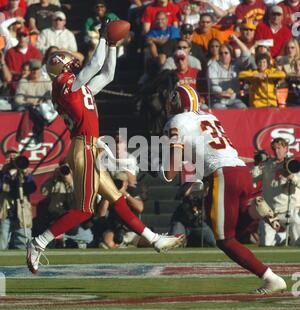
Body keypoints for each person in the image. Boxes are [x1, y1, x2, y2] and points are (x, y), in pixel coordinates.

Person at [26, 25, 184, 273]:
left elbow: (107, 73)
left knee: (117, 199)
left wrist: (113, 45)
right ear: (64, 68)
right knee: (84, 209)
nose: (74, 62)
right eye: (70, 61)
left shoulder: (78, 89)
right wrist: (103, 38)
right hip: (83, 147)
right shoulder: (66, 86)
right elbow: (94, 65)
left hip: (90, 147)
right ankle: (39, 242)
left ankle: (154, 239)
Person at [159, 83, 287, 294]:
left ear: (177, 102)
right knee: (235, 228)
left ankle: (271, 278)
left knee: (224, 239)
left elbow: (171, 171)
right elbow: (211, 152)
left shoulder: (177, 121)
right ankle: (254, 209)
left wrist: (162, 168)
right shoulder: (209, 117)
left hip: (222, 175)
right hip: (239, 171)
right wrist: (193, 181)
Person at [252, 137, 300, 246]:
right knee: (266, 245)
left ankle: (283, 237)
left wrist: (291, 177)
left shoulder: (293, 164)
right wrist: (256, 164)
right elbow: (254, 178)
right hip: (270, 211)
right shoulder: (268, 165)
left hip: (289, 210)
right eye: (274, 148)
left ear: (286, 149)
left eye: (279, 148)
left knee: (298, 242)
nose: (276, 151)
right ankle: (282, 238)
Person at [0, 148, 36, 249]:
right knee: (1, 242)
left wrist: (25, 174)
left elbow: (31, 188)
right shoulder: (2, 174)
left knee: (23, 243)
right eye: (9, 157)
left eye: (15, 157)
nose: (12, 160)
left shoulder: (24, 174)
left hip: (22, 213)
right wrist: (6, 173)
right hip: (5, 212)